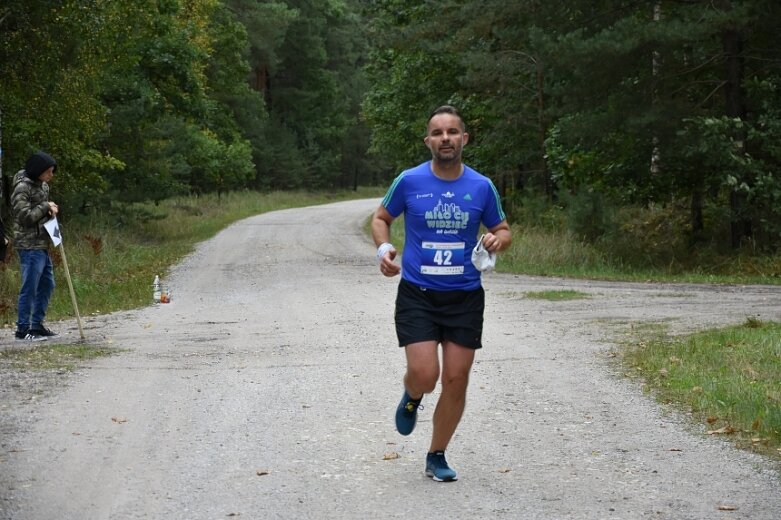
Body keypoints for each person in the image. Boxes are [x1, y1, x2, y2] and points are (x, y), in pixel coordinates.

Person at [372, 105, 512, 482]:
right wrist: (384, 250)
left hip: (464, 296)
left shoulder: (481, 186)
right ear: (428, 141)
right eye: (438, 133)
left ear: (464, 139)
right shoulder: (409, 181)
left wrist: (498, 239)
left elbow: (503, 229)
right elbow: (381, 218)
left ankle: (436, 454)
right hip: (418, 293)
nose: (445, 138)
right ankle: (413, 395)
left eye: (453, 132)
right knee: (424, 374)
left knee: (456, 378)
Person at [11, 150, 60, 341]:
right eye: (48, 171)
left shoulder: (43, 186)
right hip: (28, 244)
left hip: (43, 243)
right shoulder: (22, 188)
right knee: (30, 286)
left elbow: (41, 212)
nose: (51, 175)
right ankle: (22, 330)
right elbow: (24, 217)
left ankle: (36, 325)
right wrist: (46, 207)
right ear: (38, 170)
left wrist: (51, 213)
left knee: (47, 284)